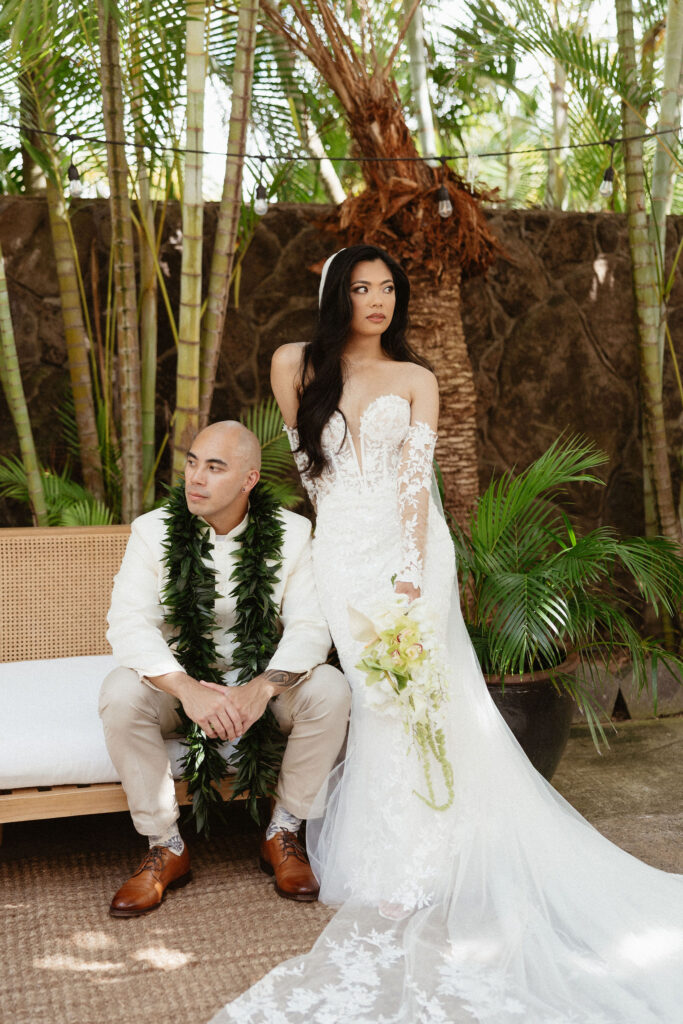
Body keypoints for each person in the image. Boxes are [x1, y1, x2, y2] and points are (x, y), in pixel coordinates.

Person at [207, 245, 683, 1024]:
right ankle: (393, 852)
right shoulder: (293, 362)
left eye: (388, 288)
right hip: (339, 553)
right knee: (374, 697)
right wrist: (343, 556)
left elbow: (413, 485)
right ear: (334, 293)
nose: (377, 300)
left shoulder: (417, 379)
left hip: (408, 561)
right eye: (361, 287)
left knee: (418, 701)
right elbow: (309, 471)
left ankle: (429, 862)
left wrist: (405, 575)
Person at [99, 420, 350, 917]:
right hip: (178, 679)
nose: (196, 477)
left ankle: (283, 832)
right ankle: (165, 846)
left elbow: (309, 628)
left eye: (215, 467)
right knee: (119, 693)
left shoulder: (293, 534)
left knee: (331, 690)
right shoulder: (152, 532)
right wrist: (187, 689)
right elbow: (128, 623)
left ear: (249, 480)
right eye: (193, 462)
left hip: (260, 679)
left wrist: (259, 690)